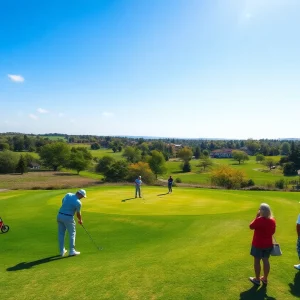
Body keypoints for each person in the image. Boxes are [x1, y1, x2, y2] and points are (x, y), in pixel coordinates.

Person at [249, 203, 276, 285]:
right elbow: (273, 232)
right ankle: (265, 278)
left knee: (257, 261)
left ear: (262, 211)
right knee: (266, 260)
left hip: (258, 244)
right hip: (268, 244)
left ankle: (257, 279)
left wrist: (256, 217)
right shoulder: (272, 220)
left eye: (260, 209)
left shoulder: (259, 220)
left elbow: (251, 226)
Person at [57, 189, 86, 257]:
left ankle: (62, 251)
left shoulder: (68, 194)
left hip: (60, 215)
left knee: (61, 234)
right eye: (82, 196)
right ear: (79, 194)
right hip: (68, 217)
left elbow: (63, 201)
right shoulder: (78, 202)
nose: (82, 198)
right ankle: (72, 251)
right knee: (72, 233)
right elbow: (78, 213)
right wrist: (80, 220)